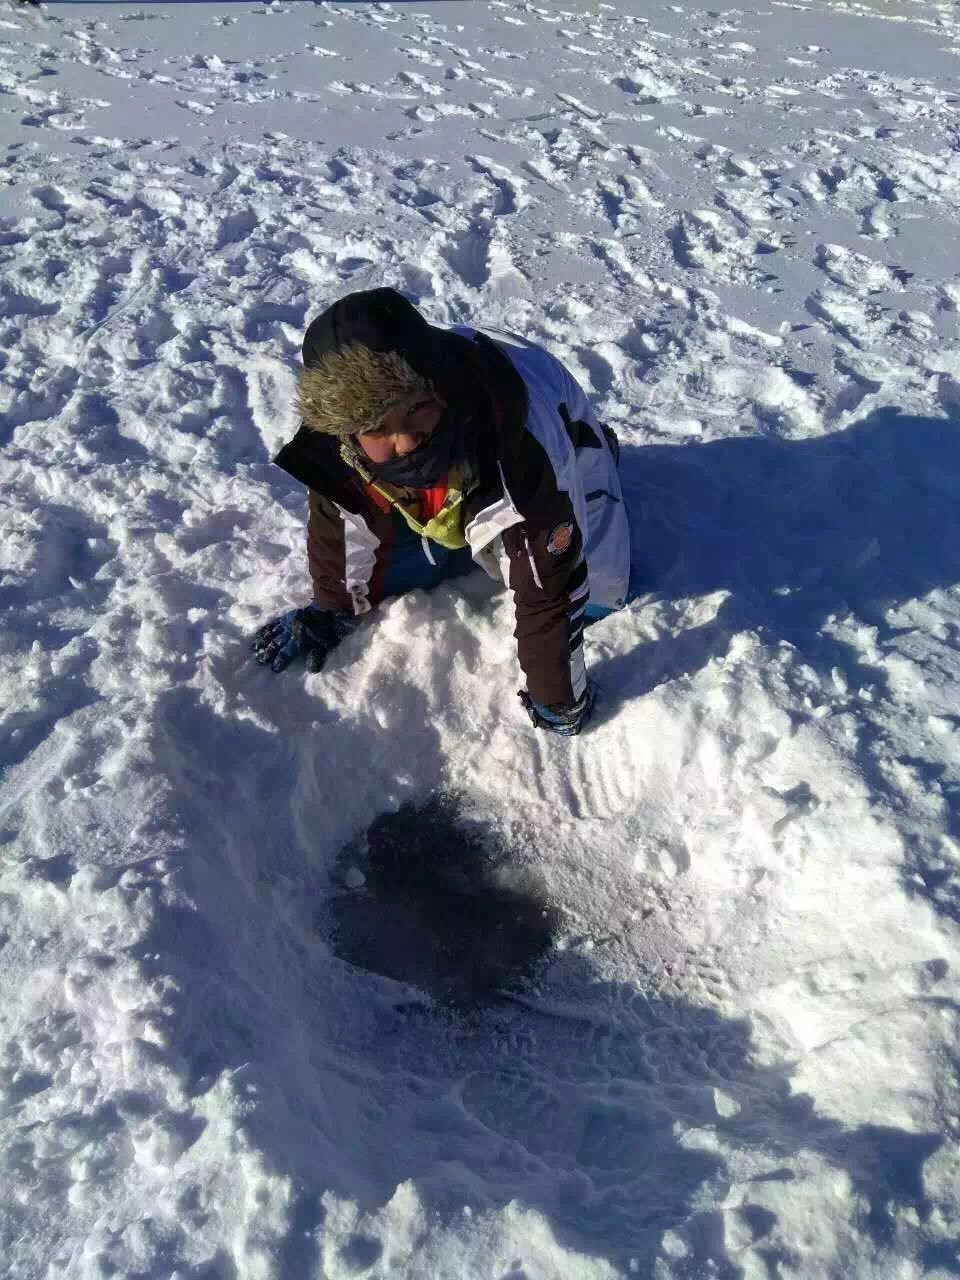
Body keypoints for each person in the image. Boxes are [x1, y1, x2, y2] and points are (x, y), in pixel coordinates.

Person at [253, 288, 630, 736]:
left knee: (601, 592)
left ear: (440, 389)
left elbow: (551, 588)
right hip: (458, 442)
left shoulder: (524, 444)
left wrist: (558, 702)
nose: (405, 440)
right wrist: (333, 607)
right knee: (382, 582)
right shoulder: (341, 446)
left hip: (542, 410)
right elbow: (343, 522)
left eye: (416, 410)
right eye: (378, 428)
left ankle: (595, 443)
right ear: (350, 433)